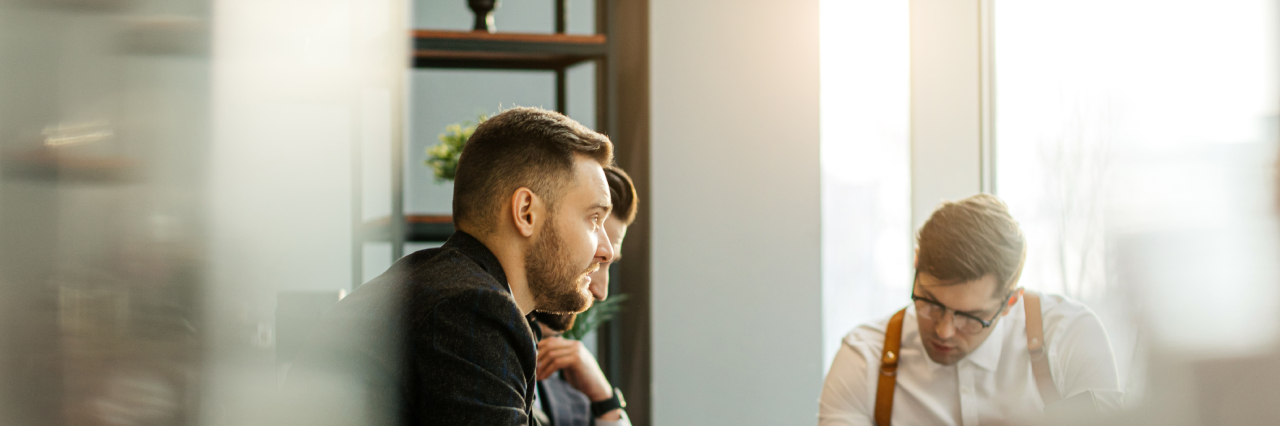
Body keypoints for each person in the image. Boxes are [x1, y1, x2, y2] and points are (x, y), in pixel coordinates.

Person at [284, 107, 616, 426]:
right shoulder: (468, 308)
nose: (606, 250)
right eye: (594, 218)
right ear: (526, 212)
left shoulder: (439, 285)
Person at [819, 194, 1123, 426]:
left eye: (970, 317)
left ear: (1010, 302)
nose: (944, 330)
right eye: (931, 303)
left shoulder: (1069, 338)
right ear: (915, 264)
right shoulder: (864, 358)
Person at [530, 166, 639, 426]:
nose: (601, 291)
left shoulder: (569, 386)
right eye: (595, 260)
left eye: (608, 262)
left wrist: (605, 401)